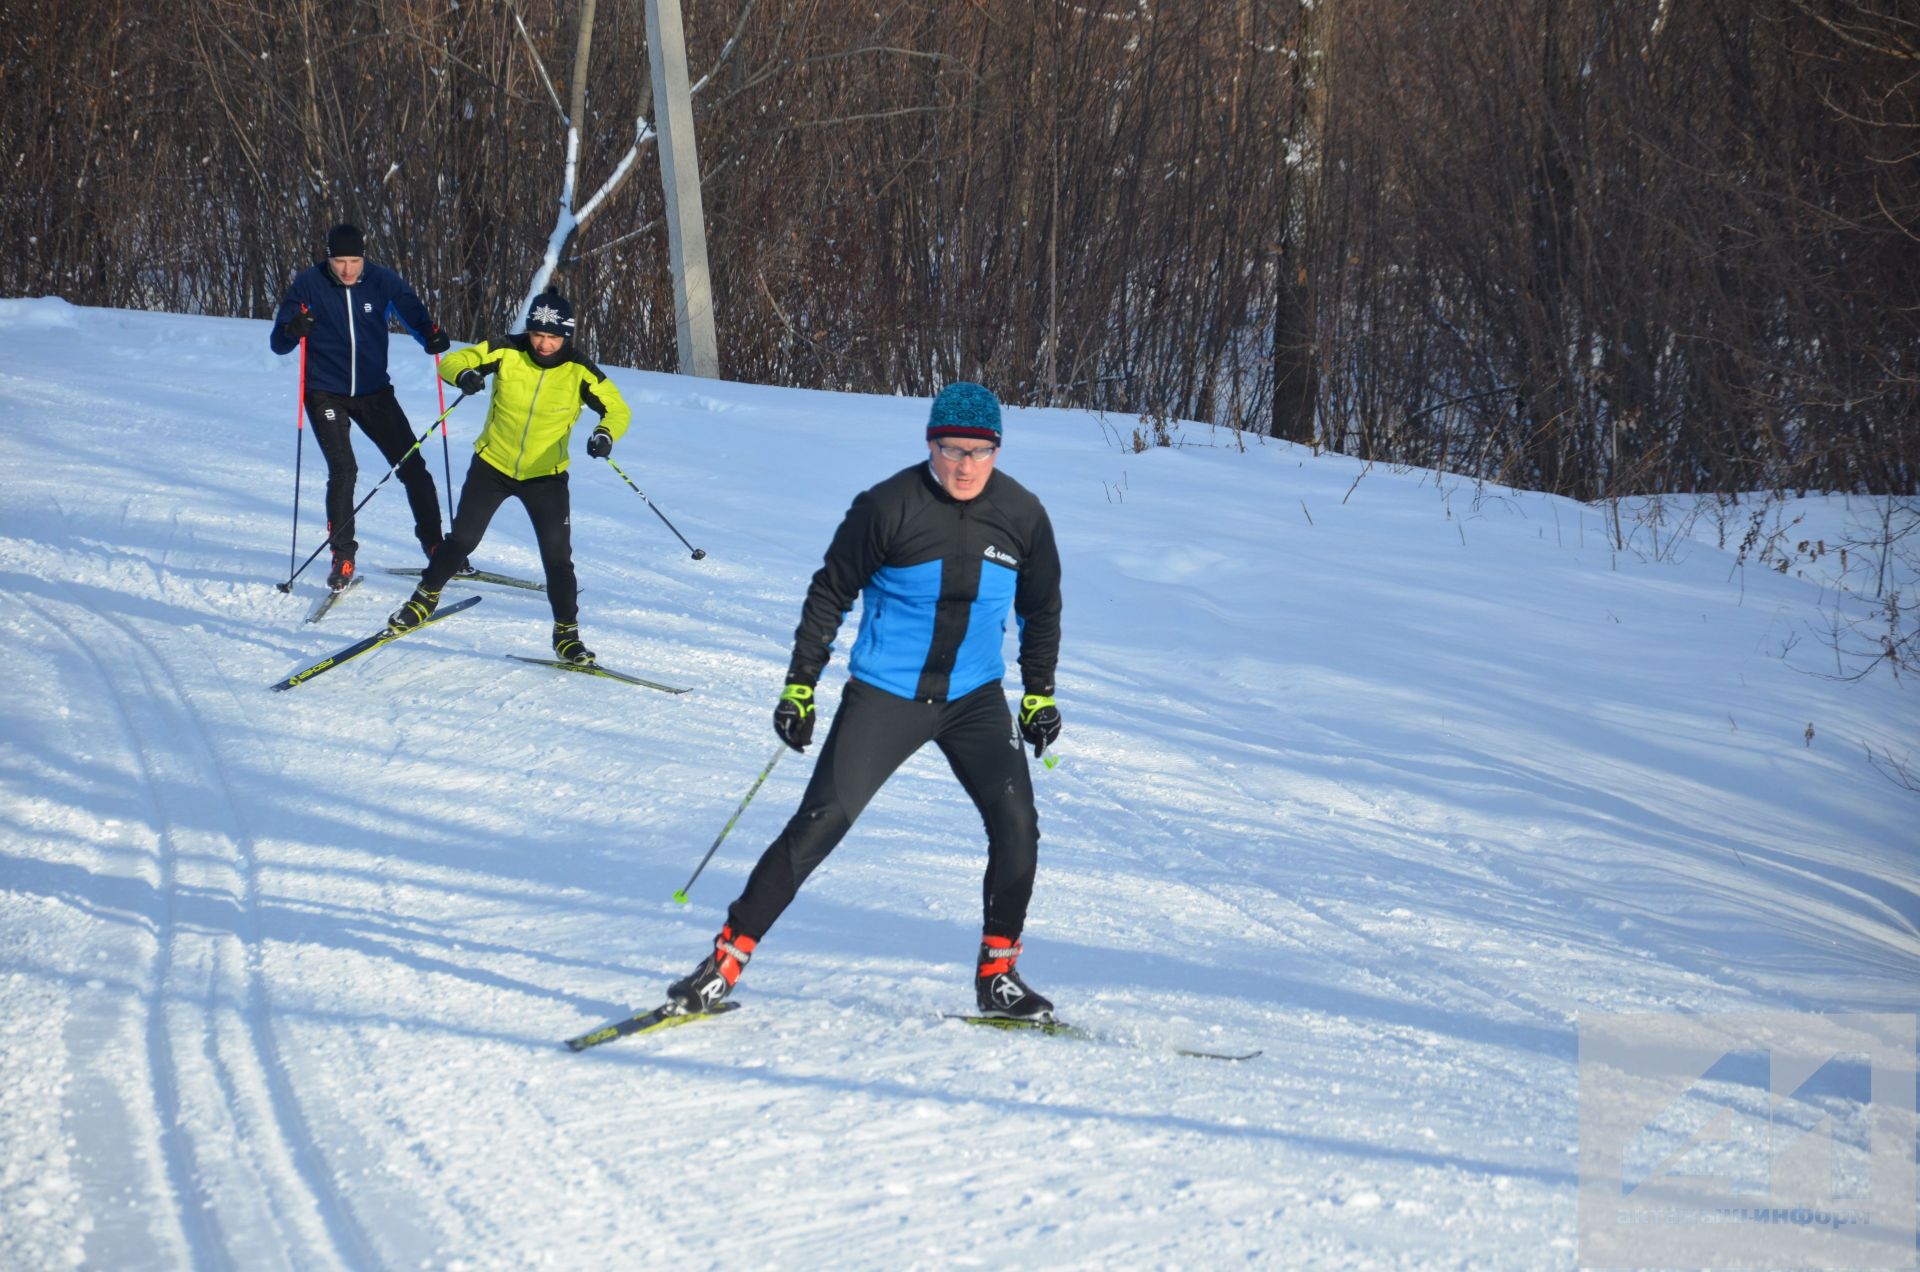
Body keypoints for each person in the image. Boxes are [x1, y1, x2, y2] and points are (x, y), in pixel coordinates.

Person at [666, 382, 1066, 1021]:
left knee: (1018, 826)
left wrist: (1039, 694)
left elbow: (1040, 609)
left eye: (979, 451)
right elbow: (830, 593)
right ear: (929, 444)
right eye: (950, 448)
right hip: (887, 695)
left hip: (974, 699)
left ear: (997, 450)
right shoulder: (886, 507)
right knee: (822, 821)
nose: (964, 465)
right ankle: (725, 960)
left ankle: (999, 974)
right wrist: (801, 683)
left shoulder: (1022, 515)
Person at [387, 291, 631, 664]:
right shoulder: (506, 349)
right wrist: (465, 374)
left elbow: (617, 408)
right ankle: (423, 600)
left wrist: (605, 433)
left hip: (545, 477)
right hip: (493, 466)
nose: (544, 344)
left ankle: (566, 635)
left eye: (553, 337)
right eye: (537, 334)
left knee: (557, 558)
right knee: (462, 539)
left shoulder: (580, 370)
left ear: (567, 336)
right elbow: (453, 361)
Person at [269, 222, 453, 590]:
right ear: (329, 258)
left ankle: (435, 545)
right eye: (340, 261)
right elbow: (279, 342)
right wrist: (294, 329)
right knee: (344, 470)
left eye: (354, 260)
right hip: (325, 393)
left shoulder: (382, 281)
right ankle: (343, 556)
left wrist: (431, 336)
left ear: (364, 257)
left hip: (374, 393)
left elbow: (415, 316)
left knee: (413, 468)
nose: (348, 269)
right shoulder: (309, 284)